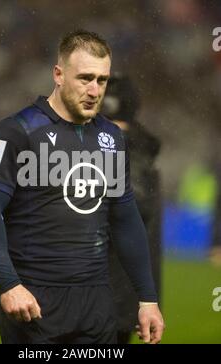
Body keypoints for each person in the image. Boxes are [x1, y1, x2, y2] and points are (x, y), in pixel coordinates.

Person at [0, 30, 164, 344]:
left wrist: (147, 299)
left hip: (98, 306)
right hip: (34, 305)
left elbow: (126, 219)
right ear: (58, 74)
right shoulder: (17, 131)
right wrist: (9, 284)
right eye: (85, 78)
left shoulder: (111, 139)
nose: (94, 90)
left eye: (101, 80)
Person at [102, 76, 162, 343]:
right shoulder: (142, 152)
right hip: (124, 292)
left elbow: (132, 211)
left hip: (106, 292)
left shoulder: (120, 151)